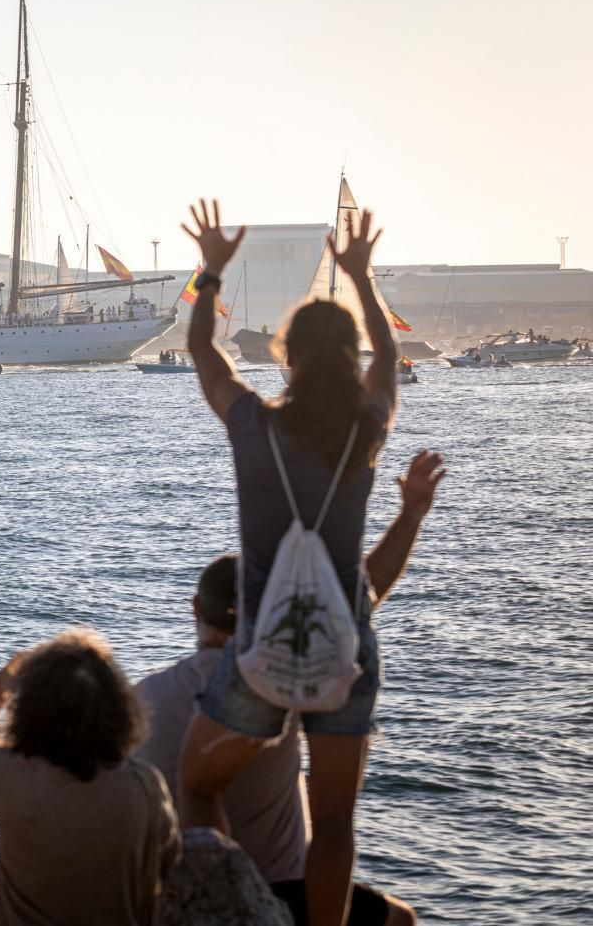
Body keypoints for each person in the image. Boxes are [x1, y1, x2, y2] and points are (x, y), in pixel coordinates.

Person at [178, 199, 399, 926]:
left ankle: (240, 912)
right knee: (334, 820)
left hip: (261, 648)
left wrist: (211, 273)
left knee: (199, 783)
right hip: (346, 644)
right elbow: (391, 360)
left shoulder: (253, 427)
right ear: (349, 361)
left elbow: (204, 354)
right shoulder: (365, 436)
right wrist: (360, 279)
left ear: (287, 356)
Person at [138, 448, 444, 925]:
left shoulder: (140, 698)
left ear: (196, 609)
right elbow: (361, 598)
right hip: (281, 892)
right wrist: (410, 515)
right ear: (265, 610)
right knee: (400, 919)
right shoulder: (277, 678)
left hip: (178, 894)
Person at [0, 630, 180, 924]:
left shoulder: (11, 778)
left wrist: (12, 671)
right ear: (118, 710)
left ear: (28, 711)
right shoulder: (143, 785)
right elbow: (170, 867)